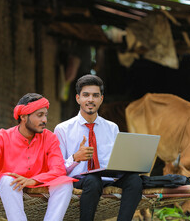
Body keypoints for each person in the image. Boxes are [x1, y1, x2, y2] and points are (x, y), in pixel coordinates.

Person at [0, 93, 76, 221]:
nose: (44, 120)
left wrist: (33, 180)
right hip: (12, 186)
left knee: (65, 183)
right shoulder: (1, 137)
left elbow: (59, 170)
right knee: (7, 180)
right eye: (40, 115)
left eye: (45, 115)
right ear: (23, 116)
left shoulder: (49, 138)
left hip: (40, 183)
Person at [54, 74, 143, 221]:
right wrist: (76, 158)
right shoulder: (62, 129)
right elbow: (57, 168)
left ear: (101, 99)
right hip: (80, 180)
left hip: (108, 177)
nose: (90, 99)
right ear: (78, 98)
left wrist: (129, 164)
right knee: (93, 180)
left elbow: (118, 160)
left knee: (135, 180)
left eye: (95, 95)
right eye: (86, 95)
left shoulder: (112, 128)